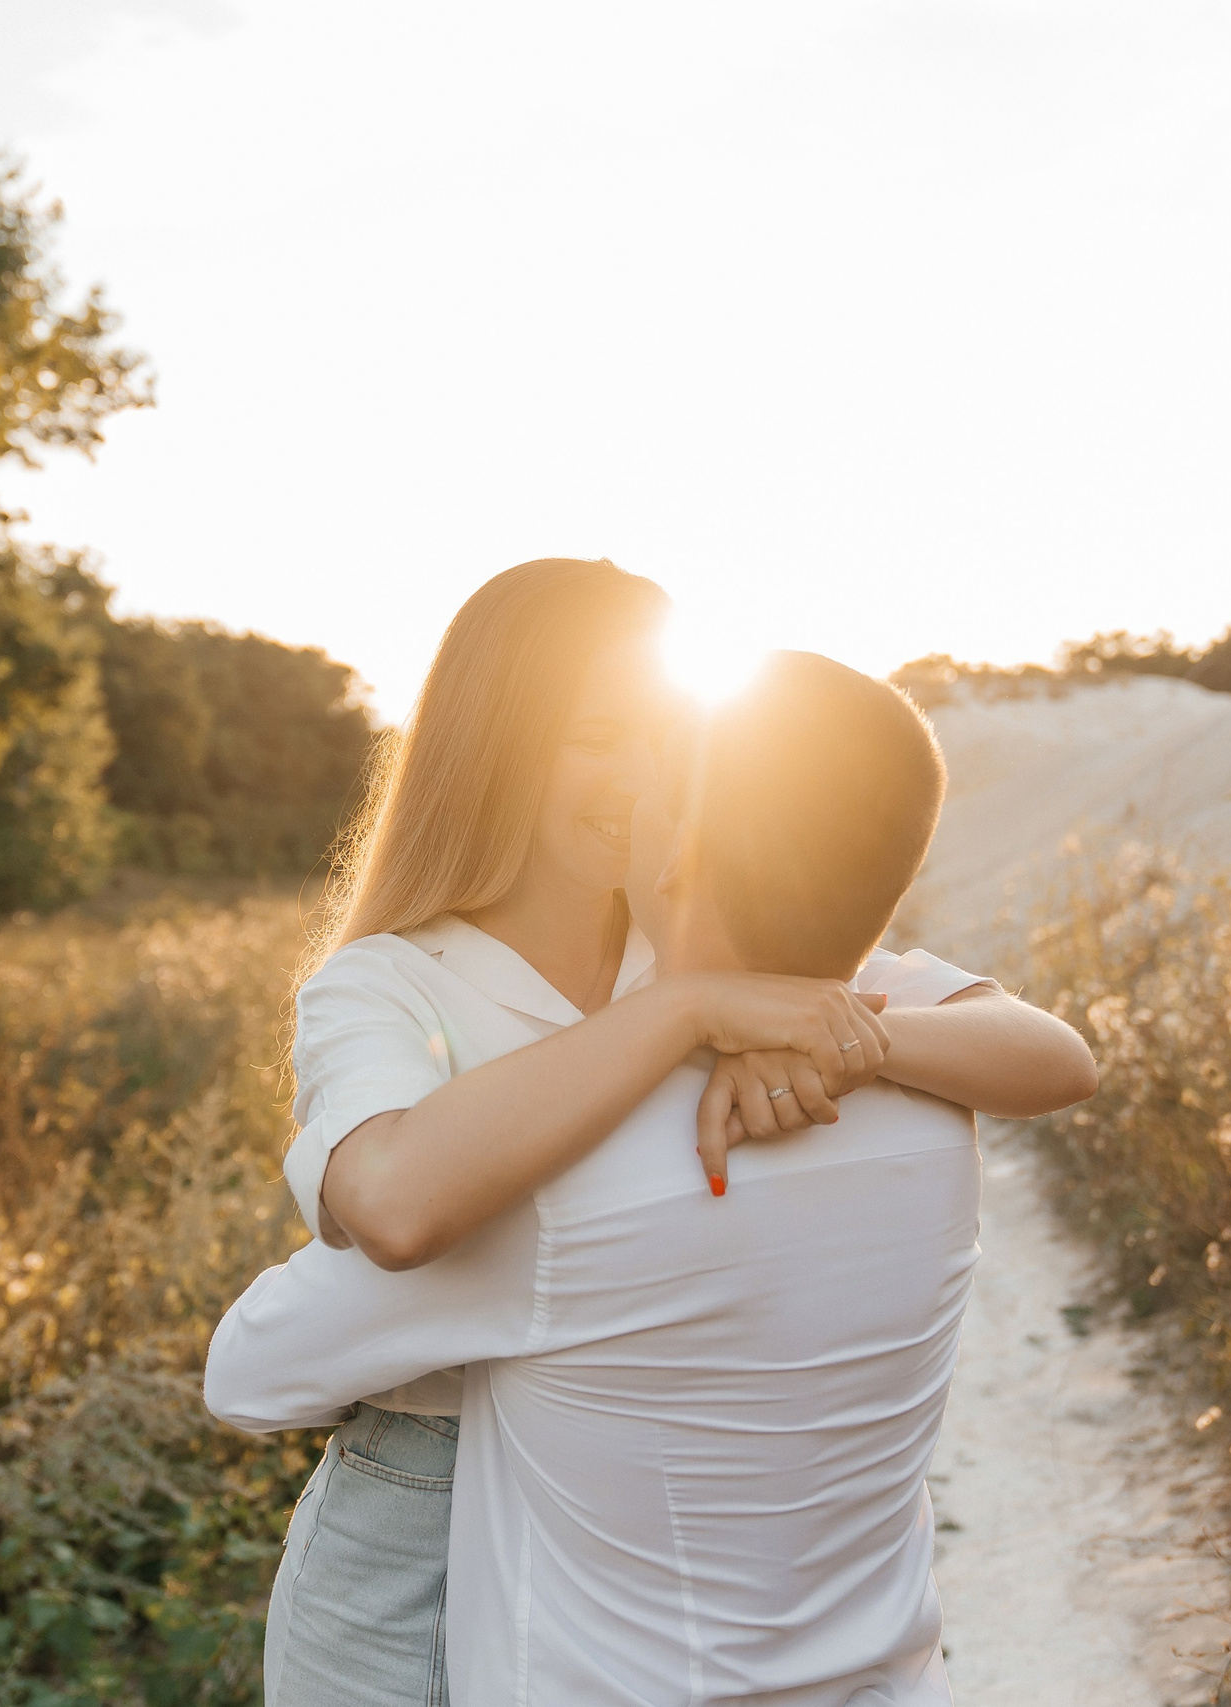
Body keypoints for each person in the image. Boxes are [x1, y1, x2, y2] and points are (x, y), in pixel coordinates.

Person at [255, 559, 1095, 1706]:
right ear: (496, 749)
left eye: (666, 735)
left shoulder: (705, 919)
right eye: (595, 736)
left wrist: (840, 1034)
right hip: (422, 1519)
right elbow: (393, 1208)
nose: (642, 773)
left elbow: (1048, 1054)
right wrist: (682, 1015)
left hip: (650, 1511)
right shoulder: (389, 985)